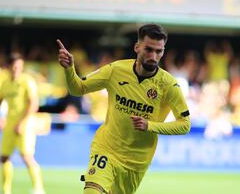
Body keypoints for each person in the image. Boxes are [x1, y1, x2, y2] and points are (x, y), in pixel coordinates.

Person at [57, 23, 191, 194]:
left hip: (136, 162)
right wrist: (70, 70)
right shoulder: (116, 70)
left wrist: (150, 125)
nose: (154, 56)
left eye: (159, 51)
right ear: (137, 47)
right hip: (106, 148)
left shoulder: (168, 85)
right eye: (149, 50)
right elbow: (78, 89)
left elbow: (185, 124)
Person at [0, 53, 45, 194]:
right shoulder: (5, 83)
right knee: (4, 157)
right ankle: (5, 190)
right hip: (10, 124)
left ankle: (39, 188)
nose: (16, 69)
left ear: (22, 67)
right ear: (9, 66)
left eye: (19, 66)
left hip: (26, 124)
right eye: (14, 66)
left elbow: (34, 104)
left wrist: (22, 123)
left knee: (26, 156)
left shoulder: (27, 81)